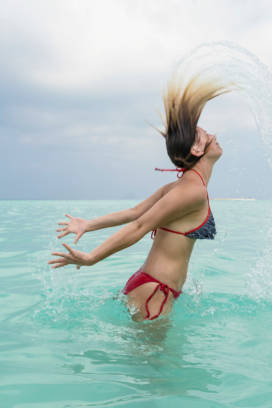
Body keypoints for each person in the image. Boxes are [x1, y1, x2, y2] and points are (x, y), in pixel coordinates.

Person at [48, 71, 233, 321]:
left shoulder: (181, 187)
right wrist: (92, 258)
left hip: (151, 287)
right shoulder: (192, 191)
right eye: (205, 135)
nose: (212, 136)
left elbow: (135, 213)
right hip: (155, 293)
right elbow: (140, 224)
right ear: (196, 149)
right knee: (154, 362)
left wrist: (89, 224)